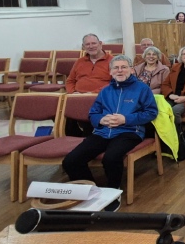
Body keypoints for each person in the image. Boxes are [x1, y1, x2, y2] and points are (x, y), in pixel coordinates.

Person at [62, 55, 158, 212]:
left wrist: (125, 119)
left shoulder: (142, 89)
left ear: (131, 70)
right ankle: (91, 192)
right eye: (116, 68)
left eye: (123, 67)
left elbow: (151, 113)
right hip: (103, 131)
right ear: (111, 71)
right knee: (71, 161)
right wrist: (101, 120)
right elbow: (93, 114)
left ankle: (113, 193)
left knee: (111, 158)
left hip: (129, 131)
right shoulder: (105, 91)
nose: (120, 70)